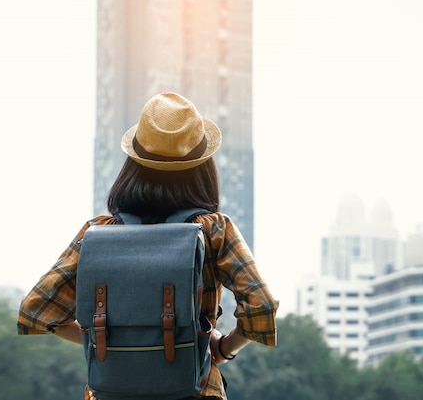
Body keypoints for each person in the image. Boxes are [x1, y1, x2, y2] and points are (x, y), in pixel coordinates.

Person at [17, 92, 279, 400]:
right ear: (202, 168)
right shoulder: (214, 231)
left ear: (133, 165)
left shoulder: (99, 232)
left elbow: (37, 311)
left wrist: (107, 343)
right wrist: (220, 347)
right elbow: (262, 307)